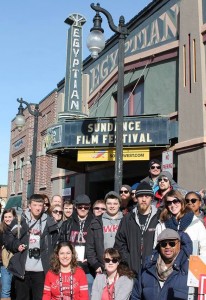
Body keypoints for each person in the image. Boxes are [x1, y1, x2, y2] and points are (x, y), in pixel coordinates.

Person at [4, 194, 58, 300]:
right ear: (29, 206)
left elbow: (55, 242)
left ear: (44, 206)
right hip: (23, 270)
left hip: (41, 270)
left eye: (40, 205)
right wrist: (17, 245)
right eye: (35, 205)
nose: (38, 208)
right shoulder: (21, 220)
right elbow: (8, 239)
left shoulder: (49, 221)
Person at [131, 228, 192, 300]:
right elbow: (135, 296)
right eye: (164, 244)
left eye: (172, 243)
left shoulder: (189, 268)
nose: (167, 247)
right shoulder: (147, 269)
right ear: (159, 246)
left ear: (179, 244)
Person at [114, 181, 160, 275]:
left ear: (151, 198)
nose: (143, 199)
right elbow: (120, 242)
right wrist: (128, 260)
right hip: (132, 271)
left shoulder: (159, 217)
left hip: (153, 271)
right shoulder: (128, 218)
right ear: (136, 198)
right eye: (140, 196)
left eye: (147, 196)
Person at [58, 194, 94, 297]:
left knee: (87, 296)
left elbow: (97, 244)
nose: (83, 209)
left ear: (89, 207)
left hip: (88, 269)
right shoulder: (67, 224)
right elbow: (61, 243)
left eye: (86, 206)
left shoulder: (94, 222)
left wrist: (90, 258)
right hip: (70, 267)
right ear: (75, 207)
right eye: (80, 206)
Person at [154, 189, 206, 255]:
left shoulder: (196, 223)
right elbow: (156, 249)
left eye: (175, 201)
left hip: (190, 263)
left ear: (181, 201)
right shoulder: (161, 225)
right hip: (168, 264)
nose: (172, 205)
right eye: (169, 202)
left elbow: (204, 248)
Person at [86, 191, 123, 274]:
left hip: (121, 267)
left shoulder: (126, 220)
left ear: (119, 204)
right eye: (109, 203)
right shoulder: (95, 222)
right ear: (105, 204)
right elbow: (90, 247)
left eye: (115, 203)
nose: (112, 206)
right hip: (102, 267)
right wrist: (95, 264)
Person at [0, 208, 17, 300]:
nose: (7, 219)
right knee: (5, 290)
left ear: (14, 217)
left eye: (10, 216)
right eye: (5, 217)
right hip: (5, 264)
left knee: (17, 290)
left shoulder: (20, 229)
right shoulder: (1, 230)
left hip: (18, 263)